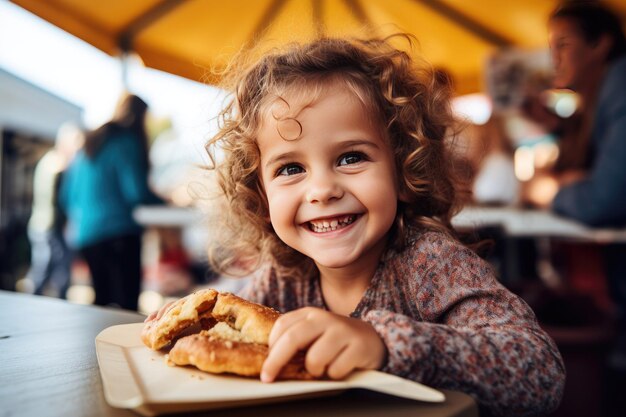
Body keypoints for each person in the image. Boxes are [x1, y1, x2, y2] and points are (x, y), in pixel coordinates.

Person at [147, 37, 565, 416]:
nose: (322, 189)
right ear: (261, 195)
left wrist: (384, 344)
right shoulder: (283, 277)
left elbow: (540, 372)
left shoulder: (431, 264)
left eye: (351, 158)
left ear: (403, 171)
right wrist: (192, 322)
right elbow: (233, 338)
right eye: (291, 168)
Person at [546, 2, 626, 372]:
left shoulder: (621, 87)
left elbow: (602, 200)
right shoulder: (597, 100)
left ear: (600, 45)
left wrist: (550, 192)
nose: (554, 59)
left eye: (562, 45)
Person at [60, 94, 163, 310]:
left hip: (87, 234)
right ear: (140, 117)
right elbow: (135, 192)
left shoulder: (89, 143)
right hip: (118, 233)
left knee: (100, 304)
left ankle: (95, 344)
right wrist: (164, 200)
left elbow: (67, 196)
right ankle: (122, 345)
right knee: (126, 308)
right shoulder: (127, 141)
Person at [26, 122, 83, 298]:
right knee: (55, 273)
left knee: (44, 270)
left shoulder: (48, 160)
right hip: (49, 227)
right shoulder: (58, 165)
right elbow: (60, 201)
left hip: (42, 225)